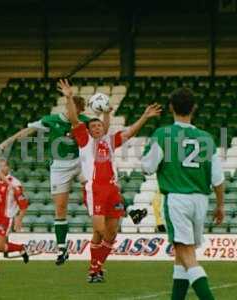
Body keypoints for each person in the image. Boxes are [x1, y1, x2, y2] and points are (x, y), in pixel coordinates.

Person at [58, 79, 161, 283]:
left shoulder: (109, 142)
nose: (97, 128)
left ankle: (95, 270)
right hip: (94, 190)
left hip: (113, 190)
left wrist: (145, 117)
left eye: (99, 125)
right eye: (93, 126)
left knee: (111, 234)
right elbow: (73, 119)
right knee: (99, 230)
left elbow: (131, 132)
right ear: (88, 130)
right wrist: (69, 97)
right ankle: (95, 269)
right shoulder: (85, 141)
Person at [0, 89, 110, 265]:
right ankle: (62, 248)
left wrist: (106, 115)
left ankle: (100, 224)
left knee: (93, 188)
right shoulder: (51, 120)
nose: (75, 111)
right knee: (60, 208)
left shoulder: (86, 122)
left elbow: (102, 134)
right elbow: (28, 131)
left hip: (81, 162)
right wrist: (9, 141)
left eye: (78, 108)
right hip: (59, 166)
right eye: (73, 106)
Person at [141, 87, 225, 300]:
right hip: (201, 200)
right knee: (181, 255)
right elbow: (218, 178)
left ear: (170, 108)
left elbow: (147, 167)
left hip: (178, 198)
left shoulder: (163, 134)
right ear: (194, 108)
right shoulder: (207, 138)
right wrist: (220, 205)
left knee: (187, 256)